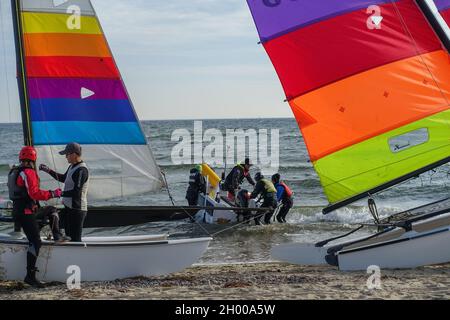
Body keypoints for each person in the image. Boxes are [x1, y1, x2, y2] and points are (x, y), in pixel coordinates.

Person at [8, 146, 63, 288]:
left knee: (48, 212)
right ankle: (30, 276)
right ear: (33, 159)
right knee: (36, 242)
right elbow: (34, 193)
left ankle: (53, 235)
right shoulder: (29, 172)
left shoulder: (14, 171)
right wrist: (53, 193)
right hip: (26, 212)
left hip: (17, 212)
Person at [40, 143, 89, 243]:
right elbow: (63, 178)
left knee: (75, 240)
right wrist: (48, 170)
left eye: (67, 154)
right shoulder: (72, 166)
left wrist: (60, 193)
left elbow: (76, 192)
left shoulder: (82, 170)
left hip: (77, 210)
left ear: (74, 154)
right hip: (68, 208)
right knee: (68, 238)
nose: (66, 157)